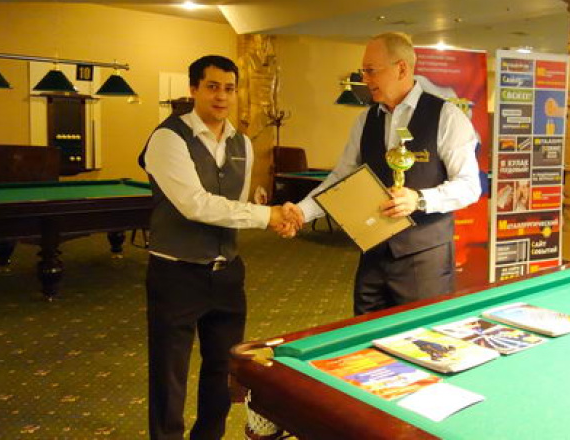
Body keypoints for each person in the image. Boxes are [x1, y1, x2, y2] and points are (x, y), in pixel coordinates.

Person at [138, 55, 298, 440]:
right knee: (169, 375)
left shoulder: (242, 143)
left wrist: (272, 214)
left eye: (229, 88)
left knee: (223, 371)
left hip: (227, 274)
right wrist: (268, 216)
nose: (221, 96)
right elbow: (196, 204)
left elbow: (233, 207)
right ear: (193, 89)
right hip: (176, 274)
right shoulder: (167, 138)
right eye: (212, 87)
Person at [290, 32, 481, 314]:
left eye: (371, 70)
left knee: (418, 334)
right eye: (363, 71)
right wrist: (302, 212)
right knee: (365, 331)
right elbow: (341, 178)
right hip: (373, 251)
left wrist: (419, 199)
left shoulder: (446, 116)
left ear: (401, 68)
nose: (365, 79)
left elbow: (469, 186)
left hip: (423, 257)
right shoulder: (366, 119)